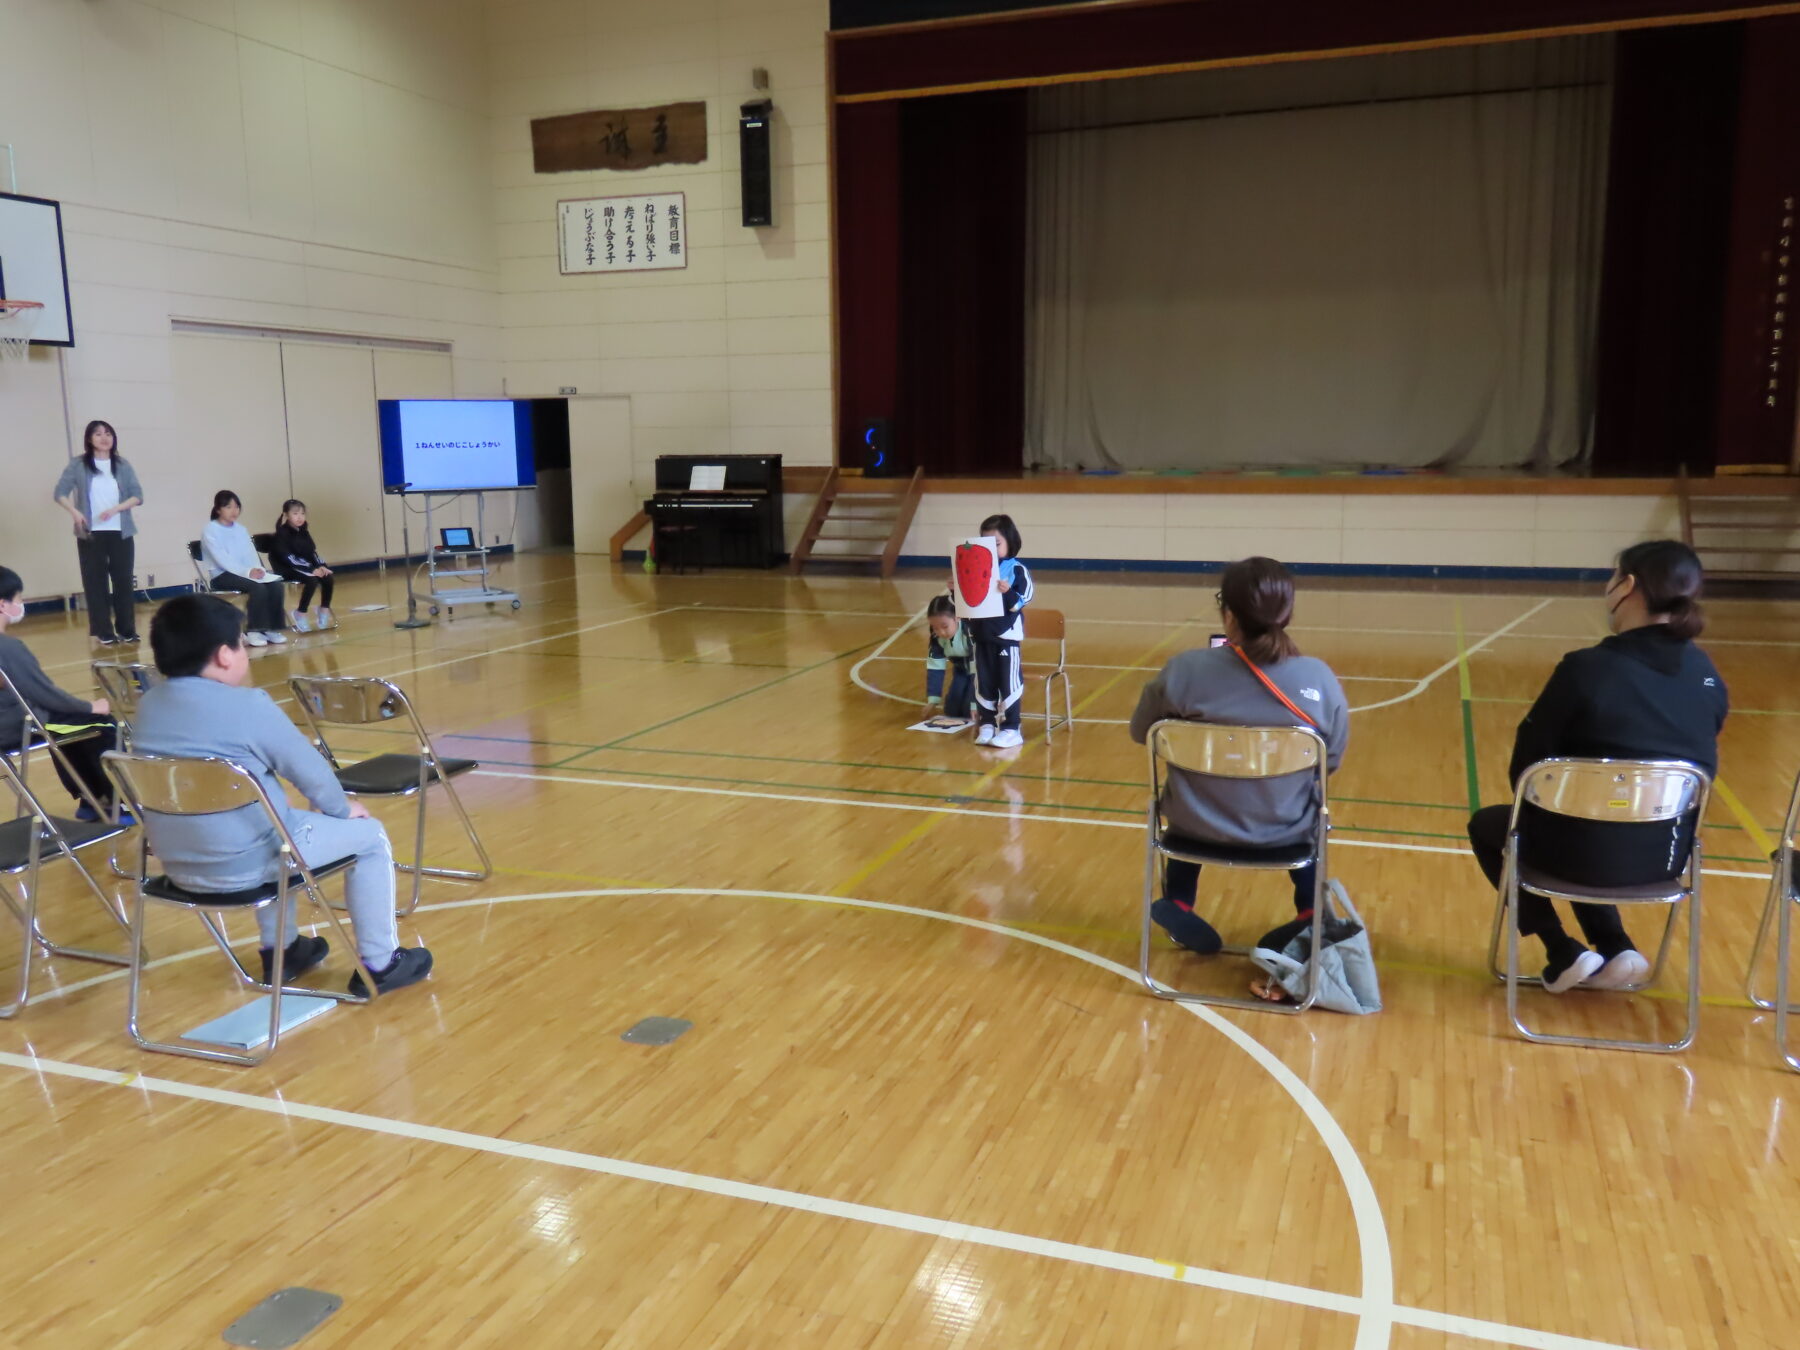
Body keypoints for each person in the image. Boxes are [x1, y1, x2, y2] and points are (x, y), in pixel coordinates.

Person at [131, 593, 433, 994]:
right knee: (367, 837)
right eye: (241, 643)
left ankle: (284, 951)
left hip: (177, 866)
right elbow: (310, 772)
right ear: (224, 655)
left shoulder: (148, 706)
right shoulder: (248, 705)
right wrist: (343, 810)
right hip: (249, 865)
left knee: (276, 823)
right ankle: (380, 963)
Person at [1466, 540, 1727, 993]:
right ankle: (1616, 945)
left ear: (1626, 585)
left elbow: (1526, 772)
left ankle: (1561, 950)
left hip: (1574, 851)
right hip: (1665, 856)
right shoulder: (1706, 674)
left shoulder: (1585, 670)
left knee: (1495, 826)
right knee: (1599, 820)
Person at [1129, 557, 1350, 971]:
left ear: (1228, 614)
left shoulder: (1184, 671)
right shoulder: (1318, 678)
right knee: (1311, 808)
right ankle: (1308, 911)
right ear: (1288, 613)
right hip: (1285, 831)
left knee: (1191, 792)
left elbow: (1143, 733)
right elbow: (1329, 761)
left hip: (1193, 829)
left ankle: (1178, 899)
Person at [0, 565, 126, 821]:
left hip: (11, 722)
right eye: (19, 599)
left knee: (65, 725)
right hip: (12, 727)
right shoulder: (8, 648)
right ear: (3, 605)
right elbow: (45, 694)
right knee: (101, 723)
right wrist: (92, 707)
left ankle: (91, 799)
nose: (21, 604)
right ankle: (118, 803)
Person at [53, 419, 144, 646]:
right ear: (89, 439)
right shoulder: (78, 465)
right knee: (96, 582)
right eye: (98, 434)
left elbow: (137, 495)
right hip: (90, 533)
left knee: (123, 581)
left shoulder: (122, 465)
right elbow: (60, 492)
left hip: (120, 532)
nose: (104, 438)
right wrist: (74, 512)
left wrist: (116, 509)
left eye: (108, 433)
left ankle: (127, 629)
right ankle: (103, 631)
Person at [966, 513, 1033, 749]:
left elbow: (1023, 600)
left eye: (996, 543)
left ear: (1010, 542)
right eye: (986, 543)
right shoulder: (975, 567)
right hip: (981, 636)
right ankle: (986, 724)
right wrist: (956, 591)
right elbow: (967, 603)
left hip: (1006, 638)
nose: (992, 549)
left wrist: (1007, 593)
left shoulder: (1017, 570)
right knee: (984, 682)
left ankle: (1012, 727)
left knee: (1009, 683)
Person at [201, 490, 287, 646]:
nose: (234, 511)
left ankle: (271, 629)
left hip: (245, 573)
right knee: (257, 589)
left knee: (275, 585)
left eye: (236, 507)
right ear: (219, 509)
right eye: (228, 507)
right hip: (222, 575)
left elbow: (250, 553)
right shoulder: (210, 530)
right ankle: (254, 630)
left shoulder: (241, 529)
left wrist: (258, 569)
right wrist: (247, 572)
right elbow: (222, 559)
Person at [271, 499, 335, 633]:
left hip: (304, 567)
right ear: (286, 515)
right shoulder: (281, 534)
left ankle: (324, 608)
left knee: (327, 577)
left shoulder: (304, 532)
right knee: (312, 579)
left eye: (302, 513)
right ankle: (301, 612)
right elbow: (289, 558)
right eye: (295, 514)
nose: (300, 517)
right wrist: (312, 569)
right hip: (286, 568)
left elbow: (312, 553)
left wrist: (321, 566)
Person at [923, 594, 973, 722]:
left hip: (983, 673)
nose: (940, 632)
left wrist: (976, 705)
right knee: (952, 710)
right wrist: (933, 699)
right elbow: (935, 667)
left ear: (957, 617)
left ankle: (996, 701)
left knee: (970, 708)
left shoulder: (970, 632)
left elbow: (982, 667)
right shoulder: (936, 638)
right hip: (961, 671)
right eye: (935, 628)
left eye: (945, 626)